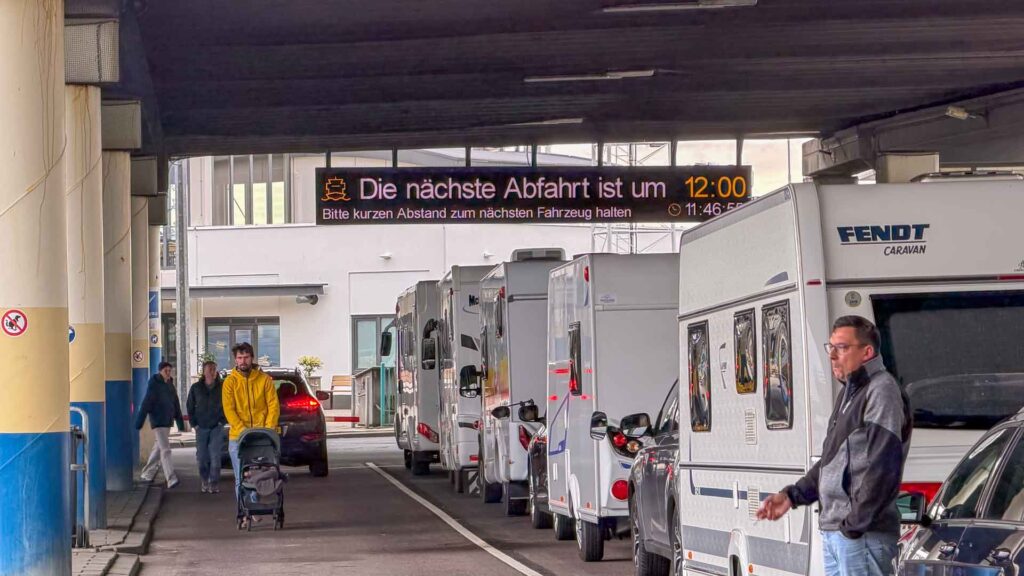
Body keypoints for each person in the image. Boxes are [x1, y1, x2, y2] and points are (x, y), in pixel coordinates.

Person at [757, 316, 912, 576]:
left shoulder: (881, 390)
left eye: (842, 348)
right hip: (840, 534)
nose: (832, 356)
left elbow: (884, 467)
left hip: (862, 537)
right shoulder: (850, 393)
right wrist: (792, 495)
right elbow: (831, 462)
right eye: (831, 348)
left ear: (867, 352)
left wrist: (854, 525)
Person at [222, 342, 280, 507]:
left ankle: (254, 501)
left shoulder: (264, 380)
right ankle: (245, 511)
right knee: (241, 476)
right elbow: (229, 411)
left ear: (252, 358)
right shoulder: (230, 382)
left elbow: (273, 406)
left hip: (262, 437)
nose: (243, 361)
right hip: (239, 438)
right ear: (235, 360)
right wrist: (243, 432)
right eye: (239, 358)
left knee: (261, 473)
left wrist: (267, 430)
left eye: (246, 357)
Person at [136, 361, 186, 488]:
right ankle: (171, 478)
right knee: (165, 450)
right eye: (166, 371)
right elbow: (146, 403)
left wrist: (179, 422)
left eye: (170, 371)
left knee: (158, 448)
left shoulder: (170, 385)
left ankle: (147, 473)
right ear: (160, 371)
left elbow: (175, 403)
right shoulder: (154, 385)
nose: (168, 373)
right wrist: (139, 421)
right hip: (158, 421)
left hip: (167, 421)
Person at [186, 360, 227, 494]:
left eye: (214, 369)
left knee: (215, 456)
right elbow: (190, 406)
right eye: (209, 369)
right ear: (204, 372)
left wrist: (222, 421)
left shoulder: (222, 387)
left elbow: (229, 405)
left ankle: (214, 483)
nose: (212, 372)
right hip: (201, 427)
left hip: (217, 426)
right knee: (202, 457)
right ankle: (204, 480)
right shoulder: (196, 388)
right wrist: (194, 424)